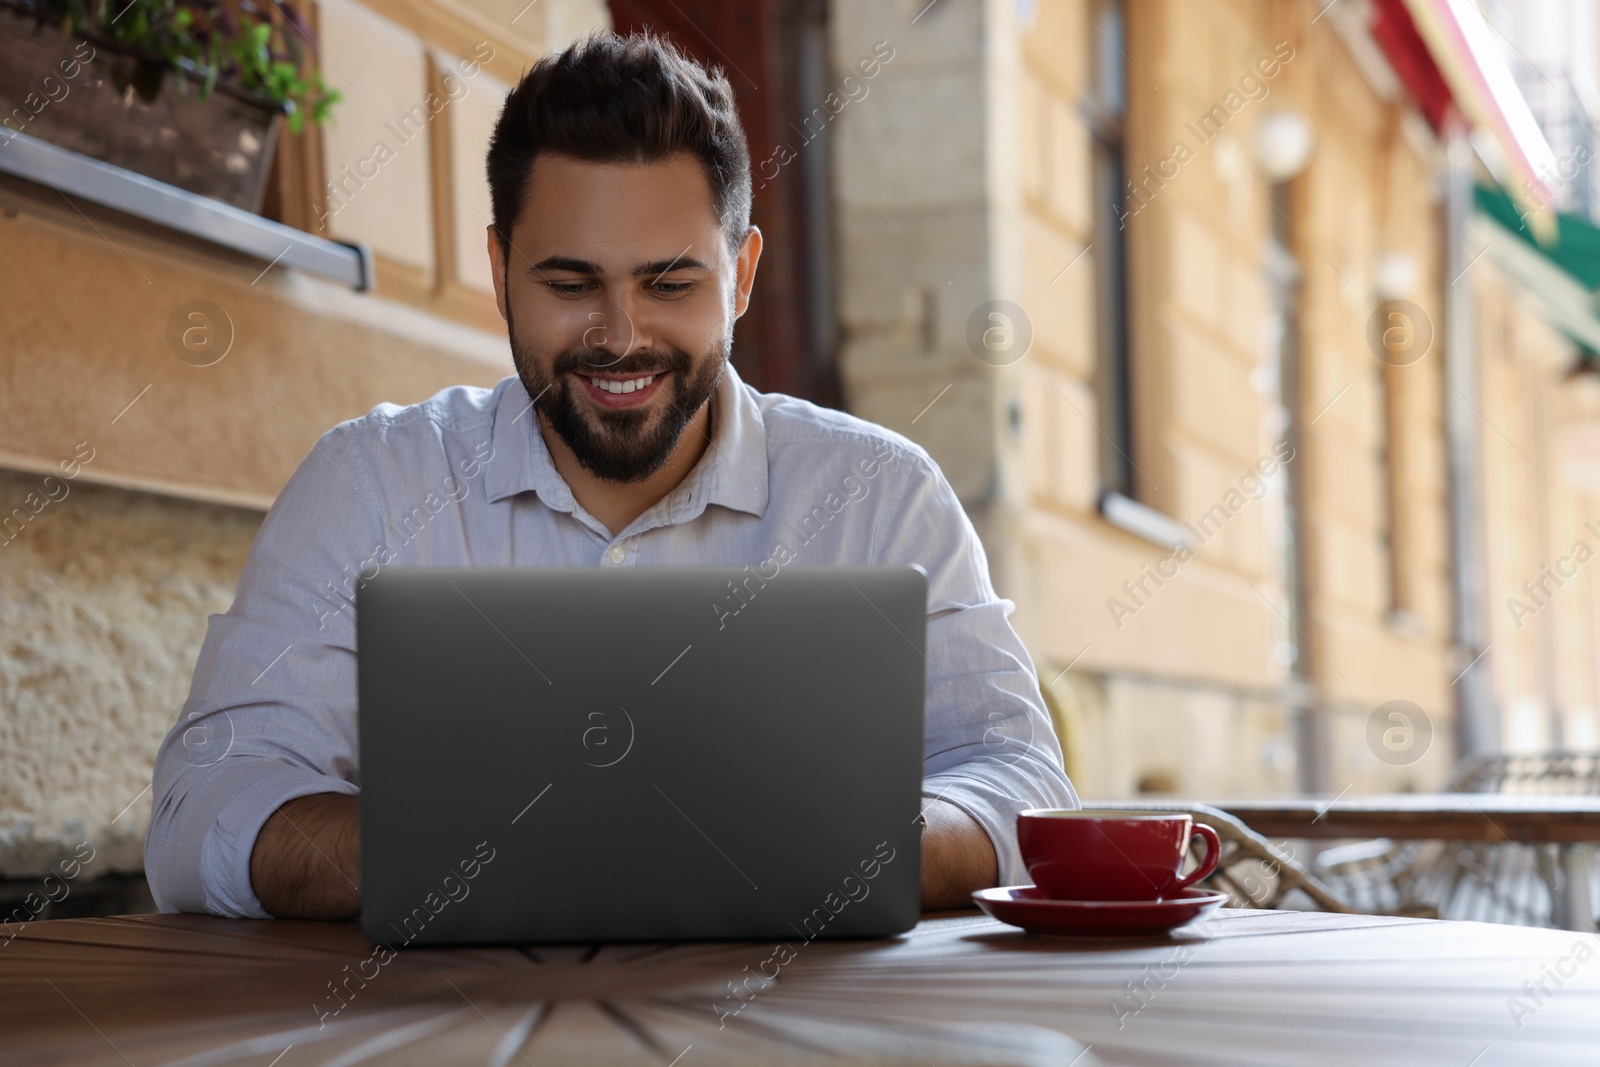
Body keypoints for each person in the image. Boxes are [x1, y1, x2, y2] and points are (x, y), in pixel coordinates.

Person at [144, 30, 1077, 921]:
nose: (621, 336)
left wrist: (845, 845)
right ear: (502, 270)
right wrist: (498, 846)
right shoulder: (369, 483)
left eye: (671, 284)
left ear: (741, 276)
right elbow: (202, 811)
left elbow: (1021, 782)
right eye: (570, 283)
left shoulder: (884, 496)